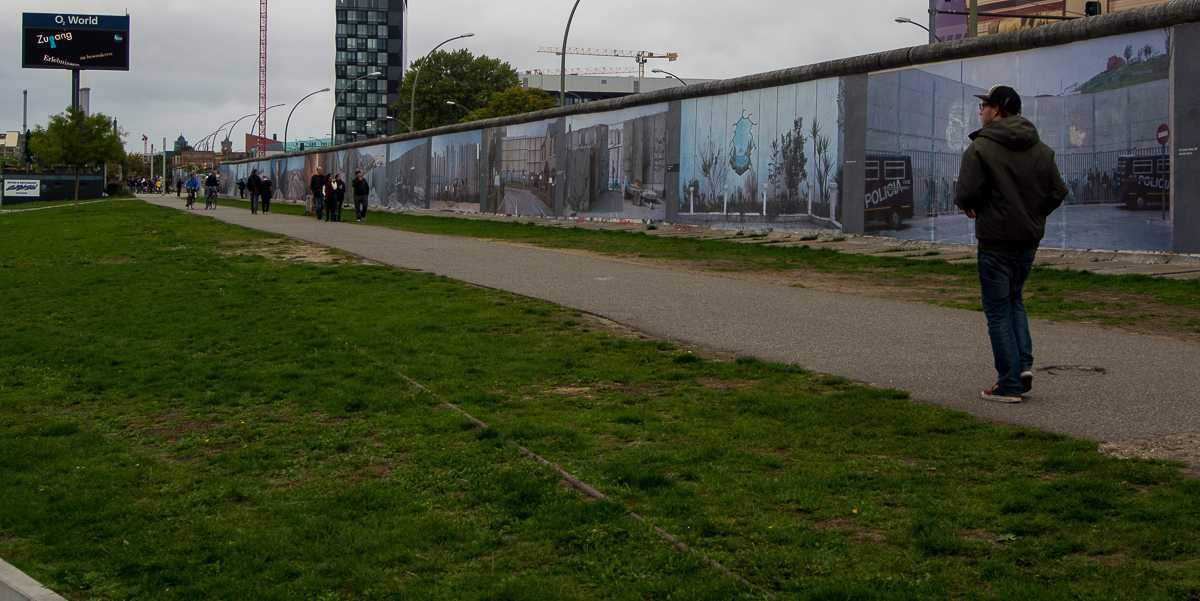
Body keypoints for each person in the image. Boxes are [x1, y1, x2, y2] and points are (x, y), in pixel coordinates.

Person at [955, 85, 1067, 403]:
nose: (981, 111)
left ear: (998, 110)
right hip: (1028, 243)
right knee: (1015, 300)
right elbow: (1057, 192)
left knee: (997, 311)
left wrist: (969, 204)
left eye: (985, 106)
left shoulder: (981, 148)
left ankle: (1008, 385)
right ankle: (1023, 368)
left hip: (995, 242)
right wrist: (1032, 214)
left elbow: (966, 193)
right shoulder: (1042, 149)